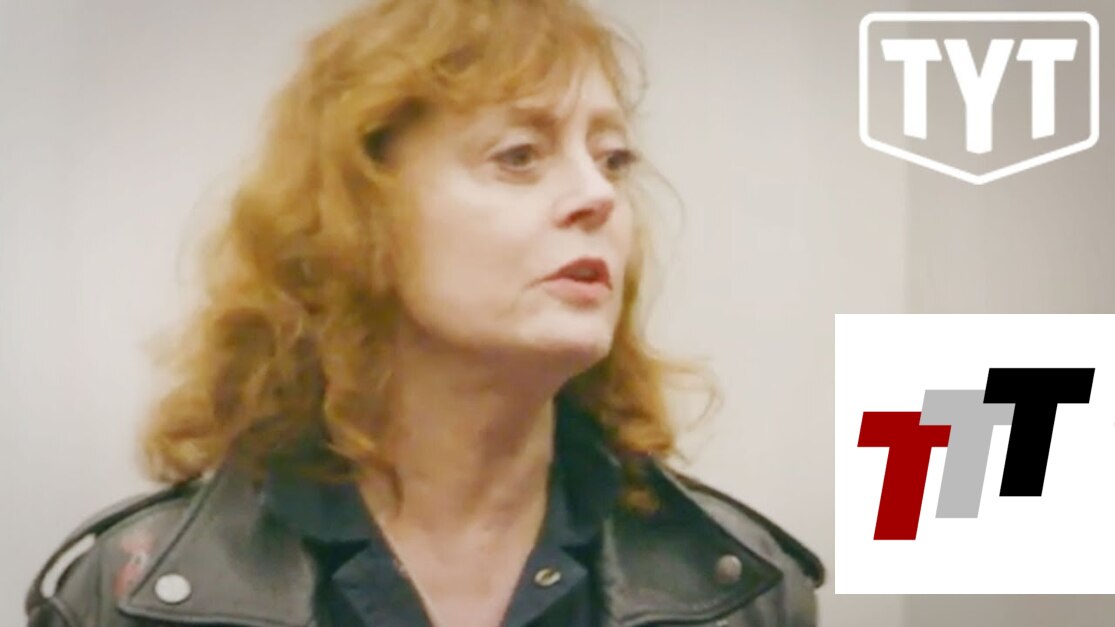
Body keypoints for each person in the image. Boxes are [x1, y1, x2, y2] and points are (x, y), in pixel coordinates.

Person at [25, 1, 823, 625]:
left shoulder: (741, 593)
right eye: (519, 155)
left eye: (612, 158)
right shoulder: (132, 596)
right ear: (358, 216)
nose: (597, 195)